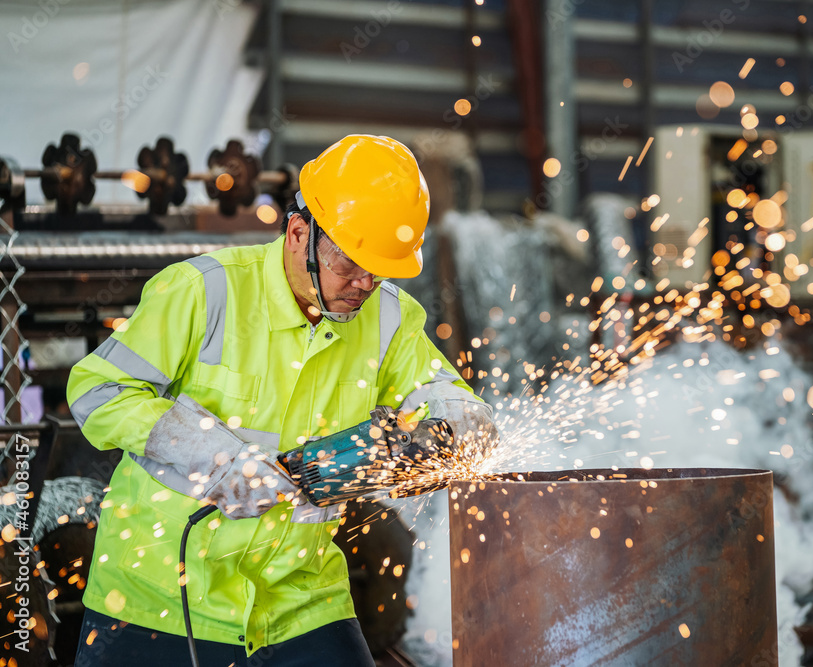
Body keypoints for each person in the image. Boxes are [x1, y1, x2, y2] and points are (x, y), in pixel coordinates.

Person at [67, 135, 495, 666]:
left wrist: (463, 417)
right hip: (157, 598)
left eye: (378, 269)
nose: (365, 284)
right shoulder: (204, 291)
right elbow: (97, 390)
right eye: (350, 265)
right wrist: (215, 458)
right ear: (298, 233)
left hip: (302, 601)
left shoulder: (389, 318)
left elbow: (437, 389)